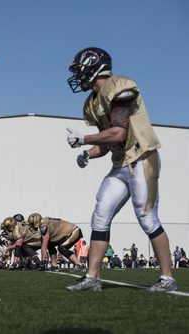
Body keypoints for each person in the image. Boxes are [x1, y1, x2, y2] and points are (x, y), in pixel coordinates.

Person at [65, 47, 176, 292]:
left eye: (79, 70)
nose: (78, 76)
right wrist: (88, 154)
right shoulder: (91, 103)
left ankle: (167, 277)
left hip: (141, 157)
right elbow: (107, 144)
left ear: (92, 66)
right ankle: (92, 277)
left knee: (147, 218)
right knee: (100, 214)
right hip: (120, 164)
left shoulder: (120, 85)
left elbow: (120, 131)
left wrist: (85, 139)